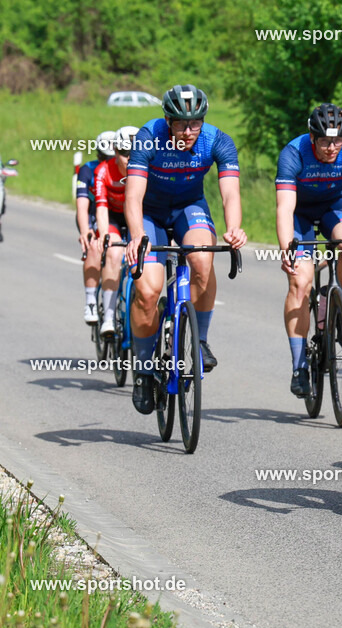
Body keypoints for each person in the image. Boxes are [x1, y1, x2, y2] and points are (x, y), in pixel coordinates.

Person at [124, 84, 247, 414]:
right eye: (181, 123)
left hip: (188, 208)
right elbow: (133, 196)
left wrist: (233, 226)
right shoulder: (148, 136)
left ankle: (200, 340)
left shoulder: (217, 140)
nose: (189, 130)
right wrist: (136, 235)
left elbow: (230, 194)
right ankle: (144, 369)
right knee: (148, 291)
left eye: (195, 123)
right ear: (168, 120)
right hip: (149, 213)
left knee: (203, 259)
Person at [275, 103, 342, 397]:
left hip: (334, 208)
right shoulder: (294, 153)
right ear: (312, 138)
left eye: (337, 140)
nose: (331, 147)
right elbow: (285, 207)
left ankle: (340, 310)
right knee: (300, 282)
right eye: (325, 141)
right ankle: (299, 365)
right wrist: (288, 247)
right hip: (298, 213)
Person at [94, 125, 138, 337]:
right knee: (113, 253)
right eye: (123, 153)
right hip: (112, 215)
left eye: (134, 154)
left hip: (135, 216)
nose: (128, 159)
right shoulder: (103, 171)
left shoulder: (146, 170)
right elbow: (101, 207)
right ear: (115, 150)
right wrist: (104, 236)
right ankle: (109, 318)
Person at [76, 131, 116, 323]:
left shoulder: (121, 169)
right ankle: (90, 299)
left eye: (111, 158)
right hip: (93, 213)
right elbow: (82, 206)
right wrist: (85, 231)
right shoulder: (87, 169)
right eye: (103, 158)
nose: (106, 163)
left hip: (115, 213)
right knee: (93, 245)